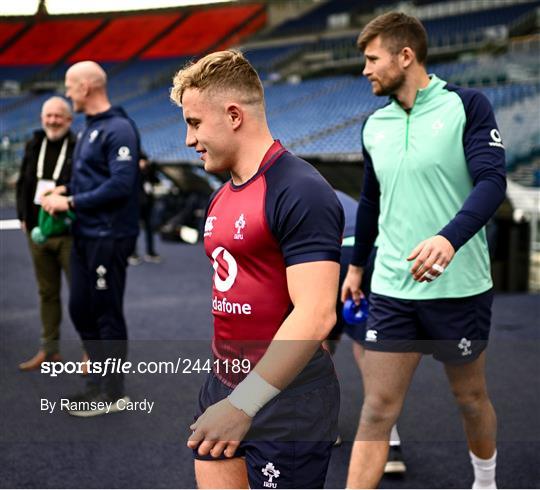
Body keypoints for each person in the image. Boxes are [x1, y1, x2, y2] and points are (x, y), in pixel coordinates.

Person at [341, 12, 506, 489]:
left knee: (471, 399)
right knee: (376, 409)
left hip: (459, 287)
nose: (366, 70)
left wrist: (448, 238)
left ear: (405, 56)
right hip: (392, 286)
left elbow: (492, 181)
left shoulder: (467, 105)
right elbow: (372, 200)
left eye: (373, 59)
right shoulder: (375, 125)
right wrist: (356, 267)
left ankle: (486, 481)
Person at [170, 50, 344, 489]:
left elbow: (317, 314)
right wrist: (227, 396)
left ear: (232, 115)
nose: (188, 140)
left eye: (194, 123)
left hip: (287, 401)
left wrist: (243, 405)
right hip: (223, 383)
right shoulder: (222, 194)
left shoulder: (300, 189)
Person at [41, 61, 140, 416]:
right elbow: (94, 178)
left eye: (70, 86)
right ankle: (96, 384)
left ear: (85, 87)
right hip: (84, 233)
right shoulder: (89, 128)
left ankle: (113, 393)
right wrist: (68, 188)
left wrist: (69, 201)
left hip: (108, 236)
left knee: (106, 313)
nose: (67, 94)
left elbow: (120, 184)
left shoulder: (119, 128)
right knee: (80, 308)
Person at [325, 190, 405, 473]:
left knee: (316, 339)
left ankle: (325, 426)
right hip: (372, 254)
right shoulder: (340, 196)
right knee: (367, 346)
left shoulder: (292, 195)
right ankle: (391, 442)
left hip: (333, 256)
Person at [16, 96, 78, 370]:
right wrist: (23, 217)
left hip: (68, 231)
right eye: (48, 116)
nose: (52, 120)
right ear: (42, 118)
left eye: (58, 116)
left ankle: (91, 353)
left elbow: (84, 183)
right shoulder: (33, 144)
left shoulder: (78, 146)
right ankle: (49, 349)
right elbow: (23, 182)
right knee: (46, 292)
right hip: (37, 230)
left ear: (69, 119)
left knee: (80, 293)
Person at [128, 152, 161, 265]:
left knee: (149, 229)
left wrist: (151, 170)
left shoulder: (149, 171)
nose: (143, 163)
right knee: (134, 230)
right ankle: (133, 253)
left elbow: (156, 181)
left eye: (144, 161)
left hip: (148, 204)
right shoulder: (133, 172)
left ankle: (150, 252)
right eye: (141, 160)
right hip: (136, 204)